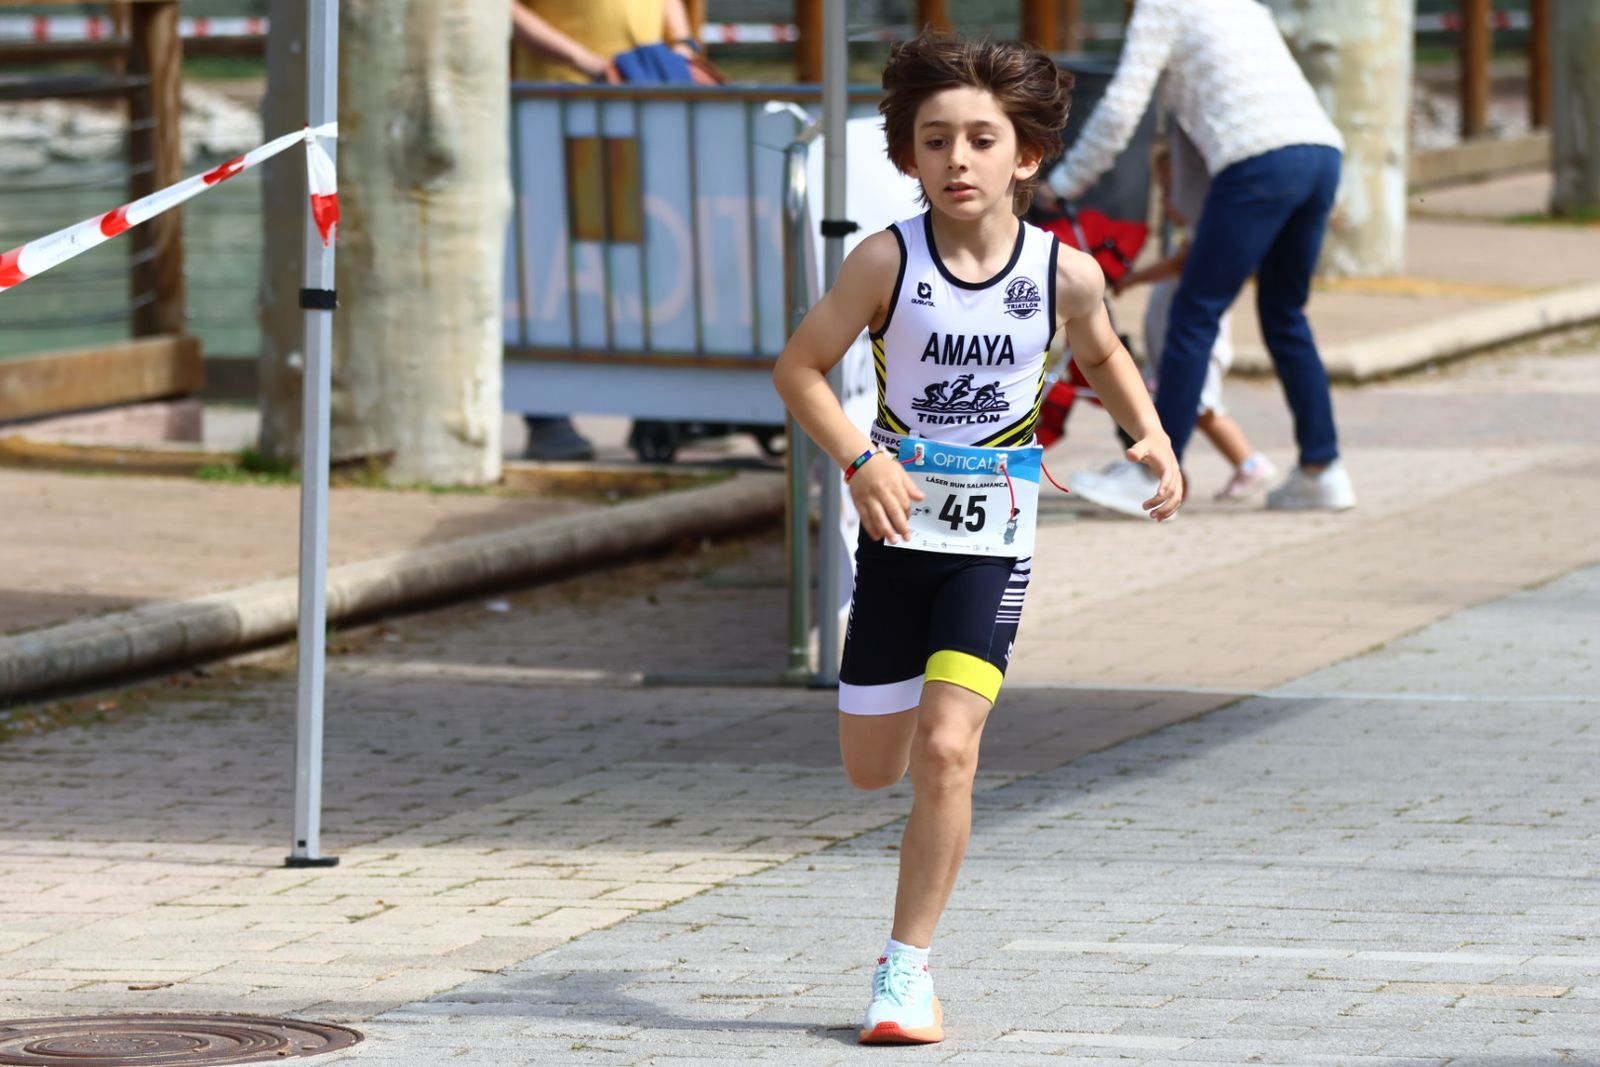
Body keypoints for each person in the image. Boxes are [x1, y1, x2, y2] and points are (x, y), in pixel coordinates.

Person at [771, 31, 1182, 1045]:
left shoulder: (1061, 272)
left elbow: (1103, 351)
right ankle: (905, 747)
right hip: (897, 532)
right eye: (935, 139)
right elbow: (798, 370)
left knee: (949, 751)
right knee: (874, 767)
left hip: (993, 541)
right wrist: (864, 460)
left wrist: (1152, 436)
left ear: (1026, 157)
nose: (959, 159)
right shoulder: (884, 261)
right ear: (907, 157)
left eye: (982, 139)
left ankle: (904, 973)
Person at [1047, 0, 1355, 511]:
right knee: (1285, 314)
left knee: (1193, 314)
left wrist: (1066, 182)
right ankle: (1322, 470)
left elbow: (1124, 106)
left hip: (1258, 162)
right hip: (1320, 154)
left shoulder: (1161, 7)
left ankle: (1155, 475)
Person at [510, 0, 701, 460]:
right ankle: (546, 413)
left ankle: (655, 409)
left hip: (637, 96)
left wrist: (683, 47)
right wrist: (583, 60)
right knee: (555, 257)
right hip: (562, 103)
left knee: (639, 259)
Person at [1074, 127, 1276, 509]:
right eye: (1163, 191)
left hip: (1197, 352)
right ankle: (1230, 465)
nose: (1168, 201)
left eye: (1172, 190)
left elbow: (1177, 266)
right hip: (1175, 352)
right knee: (1198, 410)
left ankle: (1249, 463)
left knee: (1201, 409)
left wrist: (1133, 279)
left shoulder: (1202, 236)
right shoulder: (1188, 233)